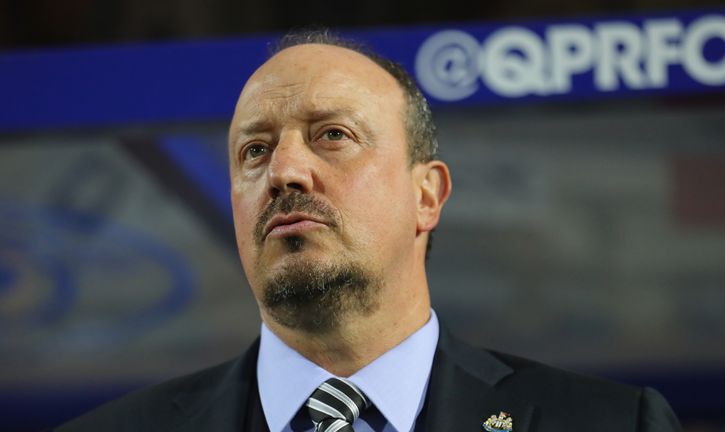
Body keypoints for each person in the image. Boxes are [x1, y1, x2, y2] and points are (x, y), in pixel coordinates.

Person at [58, 30, 681, 432]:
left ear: (427, 194)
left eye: (333, 135)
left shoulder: (614, 424)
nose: (284, 171)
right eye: (254, 151)